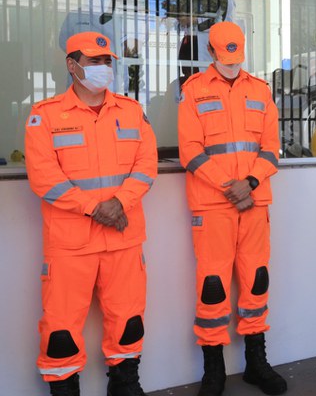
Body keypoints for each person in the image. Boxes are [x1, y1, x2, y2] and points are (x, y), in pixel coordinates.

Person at [25, 31, 158, 396]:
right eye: (93, 61)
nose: (103, 67)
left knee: (128, 321)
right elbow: (44, 178)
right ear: (72, 65)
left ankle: (125, 385)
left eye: (106, 61)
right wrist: (95, 208)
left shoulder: (131, 111)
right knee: (61, 331)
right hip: (71, 244)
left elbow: (146, 166)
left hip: (123, 238)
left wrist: (121, 202)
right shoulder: (45, 116)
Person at [177, 21, 286, 396]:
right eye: (225, 57)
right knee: (213, 285)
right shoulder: (193, 91)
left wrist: (250, 183)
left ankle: (256, 363)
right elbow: (190, 151)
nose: (232, 63)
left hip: (254, 201)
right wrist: (231, 186)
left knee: (256, 279)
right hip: (213, 205)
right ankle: (214, 370)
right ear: (210, 52)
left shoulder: (260, 90)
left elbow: (271, 148)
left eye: (237, 56)